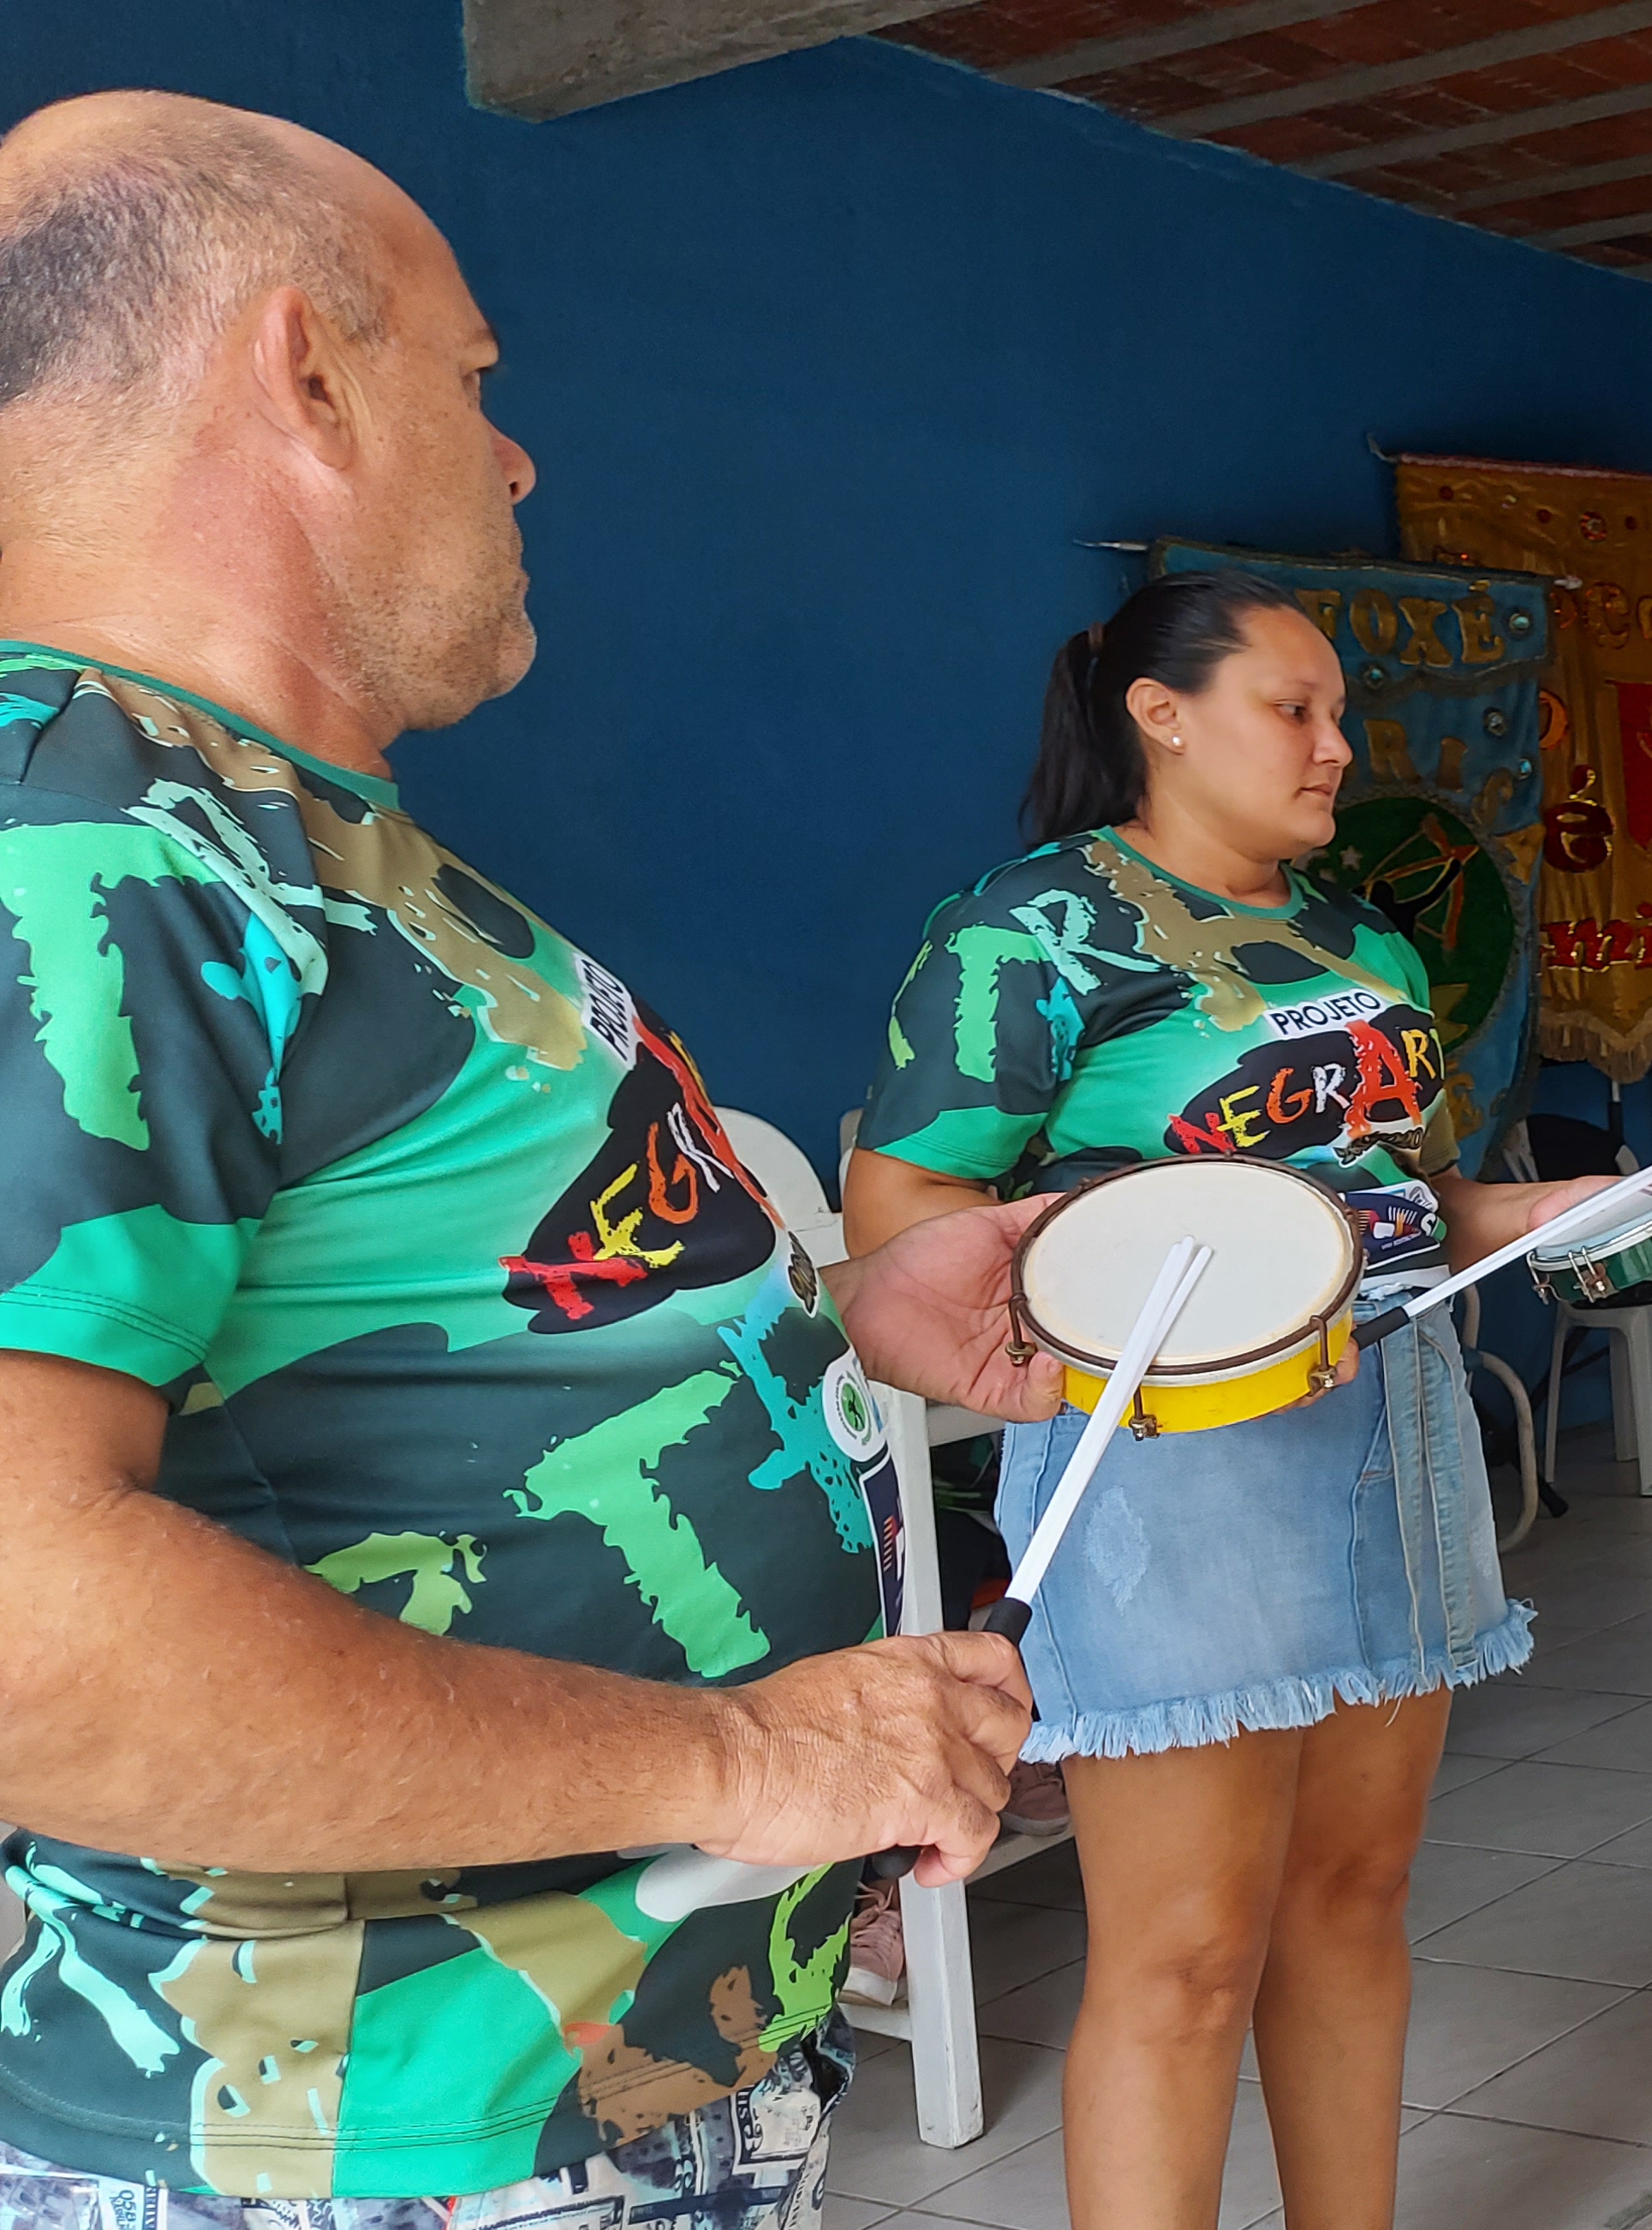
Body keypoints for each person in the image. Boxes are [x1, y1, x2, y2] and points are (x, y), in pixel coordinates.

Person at [0, 92, 1059, 2224]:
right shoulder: (77, 856)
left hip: (586, 2085)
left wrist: (825, 1318)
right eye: (475, 379)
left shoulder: (281, 838)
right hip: (356, 2142)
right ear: (308, 375)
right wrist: (758, 1759)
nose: (517, 458)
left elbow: (395, 1326)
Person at [843, 568, 1613, 2230]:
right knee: (1186, 1954)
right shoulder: (1034, 931)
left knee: (1355, 1900)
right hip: (1176, 1466)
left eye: (1340, 716)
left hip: (1396, 1432)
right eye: (1296, 710)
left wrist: (1551, 1214)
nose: (1337, 748)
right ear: (1161, 715)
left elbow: (1409, 1201)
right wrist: (1107, 1320)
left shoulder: (1368, 940)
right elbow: (903, 1221)